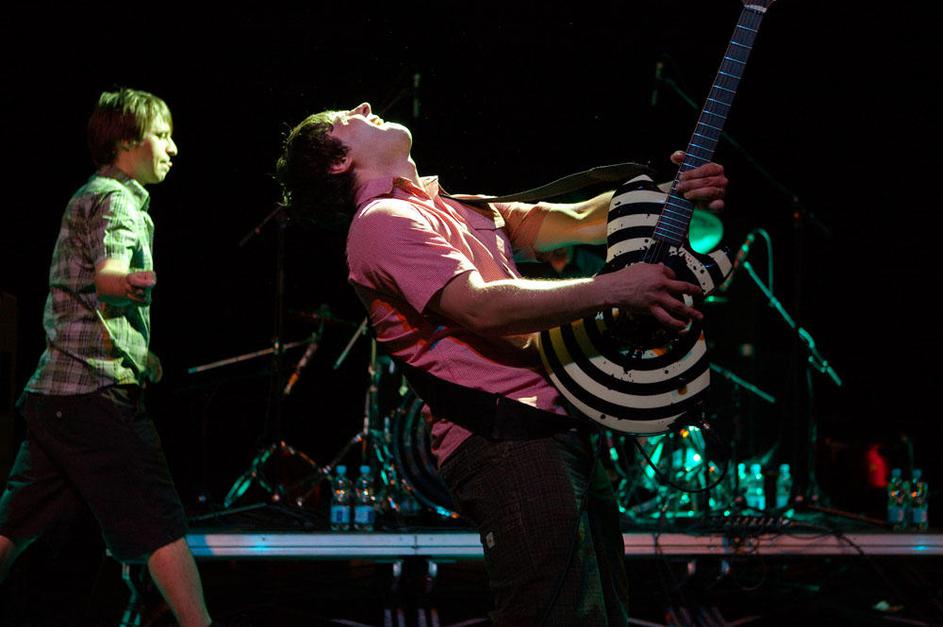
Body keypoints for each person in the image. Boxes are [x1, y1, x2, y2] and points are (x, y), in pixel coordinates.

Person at [276, 102, 727, 625]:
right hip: (502, 438)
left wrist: (675, 194)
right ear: (338, 161)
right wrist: (614, 288)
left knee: (600, 614)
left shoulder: (457, 207)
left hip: (556, 426)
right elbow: (480, 307)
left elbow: (580, 220)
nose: (365, 107)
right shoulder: (381, 222)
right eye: (345, 117)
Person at [0, 88, 215, 627]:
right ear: (125, 143)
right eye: (161, 135)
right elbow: (108, 275)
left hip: (55, 396)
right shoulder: (116, 200)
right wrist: (127, 282)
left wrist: (143, 355)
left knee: (14, 525)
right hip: (94, 396)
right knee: (160, 521)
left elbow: (85, 298)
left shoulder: (90, 195)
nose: (172, 148)